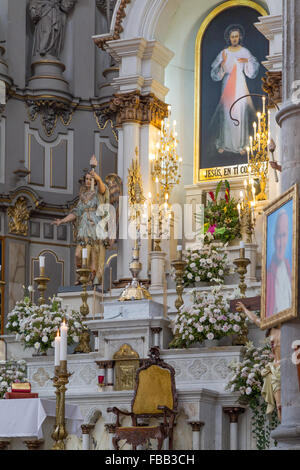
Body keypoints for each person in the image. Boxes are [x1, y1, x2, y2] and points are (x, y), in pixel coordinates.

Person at [53, 169, 110, 284]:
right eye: (87, 179)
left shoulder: (98, 194)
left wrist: (97, 177)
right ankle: (82, 274)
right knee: (78, 254)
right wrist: (62, 221)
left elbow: (103, 189)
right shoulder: (83, 197)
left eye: (90, 179)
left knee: (93, 254)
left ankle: (90, 278)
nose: (88, 181)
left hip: (94, 226)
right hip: (84, 227)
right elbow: (76, 212)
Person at [211, 24, 259, 155]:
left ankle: (240, 145)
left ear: (240, 37)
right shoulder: (224, 53)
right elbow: (216, 74)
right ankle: (225, 143)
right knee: (227, 113)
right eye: (232, 37)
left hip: (240, 85)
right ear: (229, 38)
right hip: (227, 85)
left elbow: (251, 71)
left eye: (236, 36)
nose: (234, 39)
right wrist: (222, 64)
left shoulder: (244, 51)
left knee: (240, 112)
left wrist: (247, 62)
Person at [236, 301, 281, 421]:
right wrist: (245, 309)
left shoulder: (288, 329)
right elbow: (256, 320)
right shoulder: (271, 329)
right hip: (275, 368)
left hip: (286, 367)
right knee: (279, 405)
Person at [266, 209, 292, 318]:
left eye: (284, 235)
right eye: (278, 236)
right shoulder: (269, 274)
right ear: (273, 238)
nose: (281, 244)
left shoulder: (290, 268)